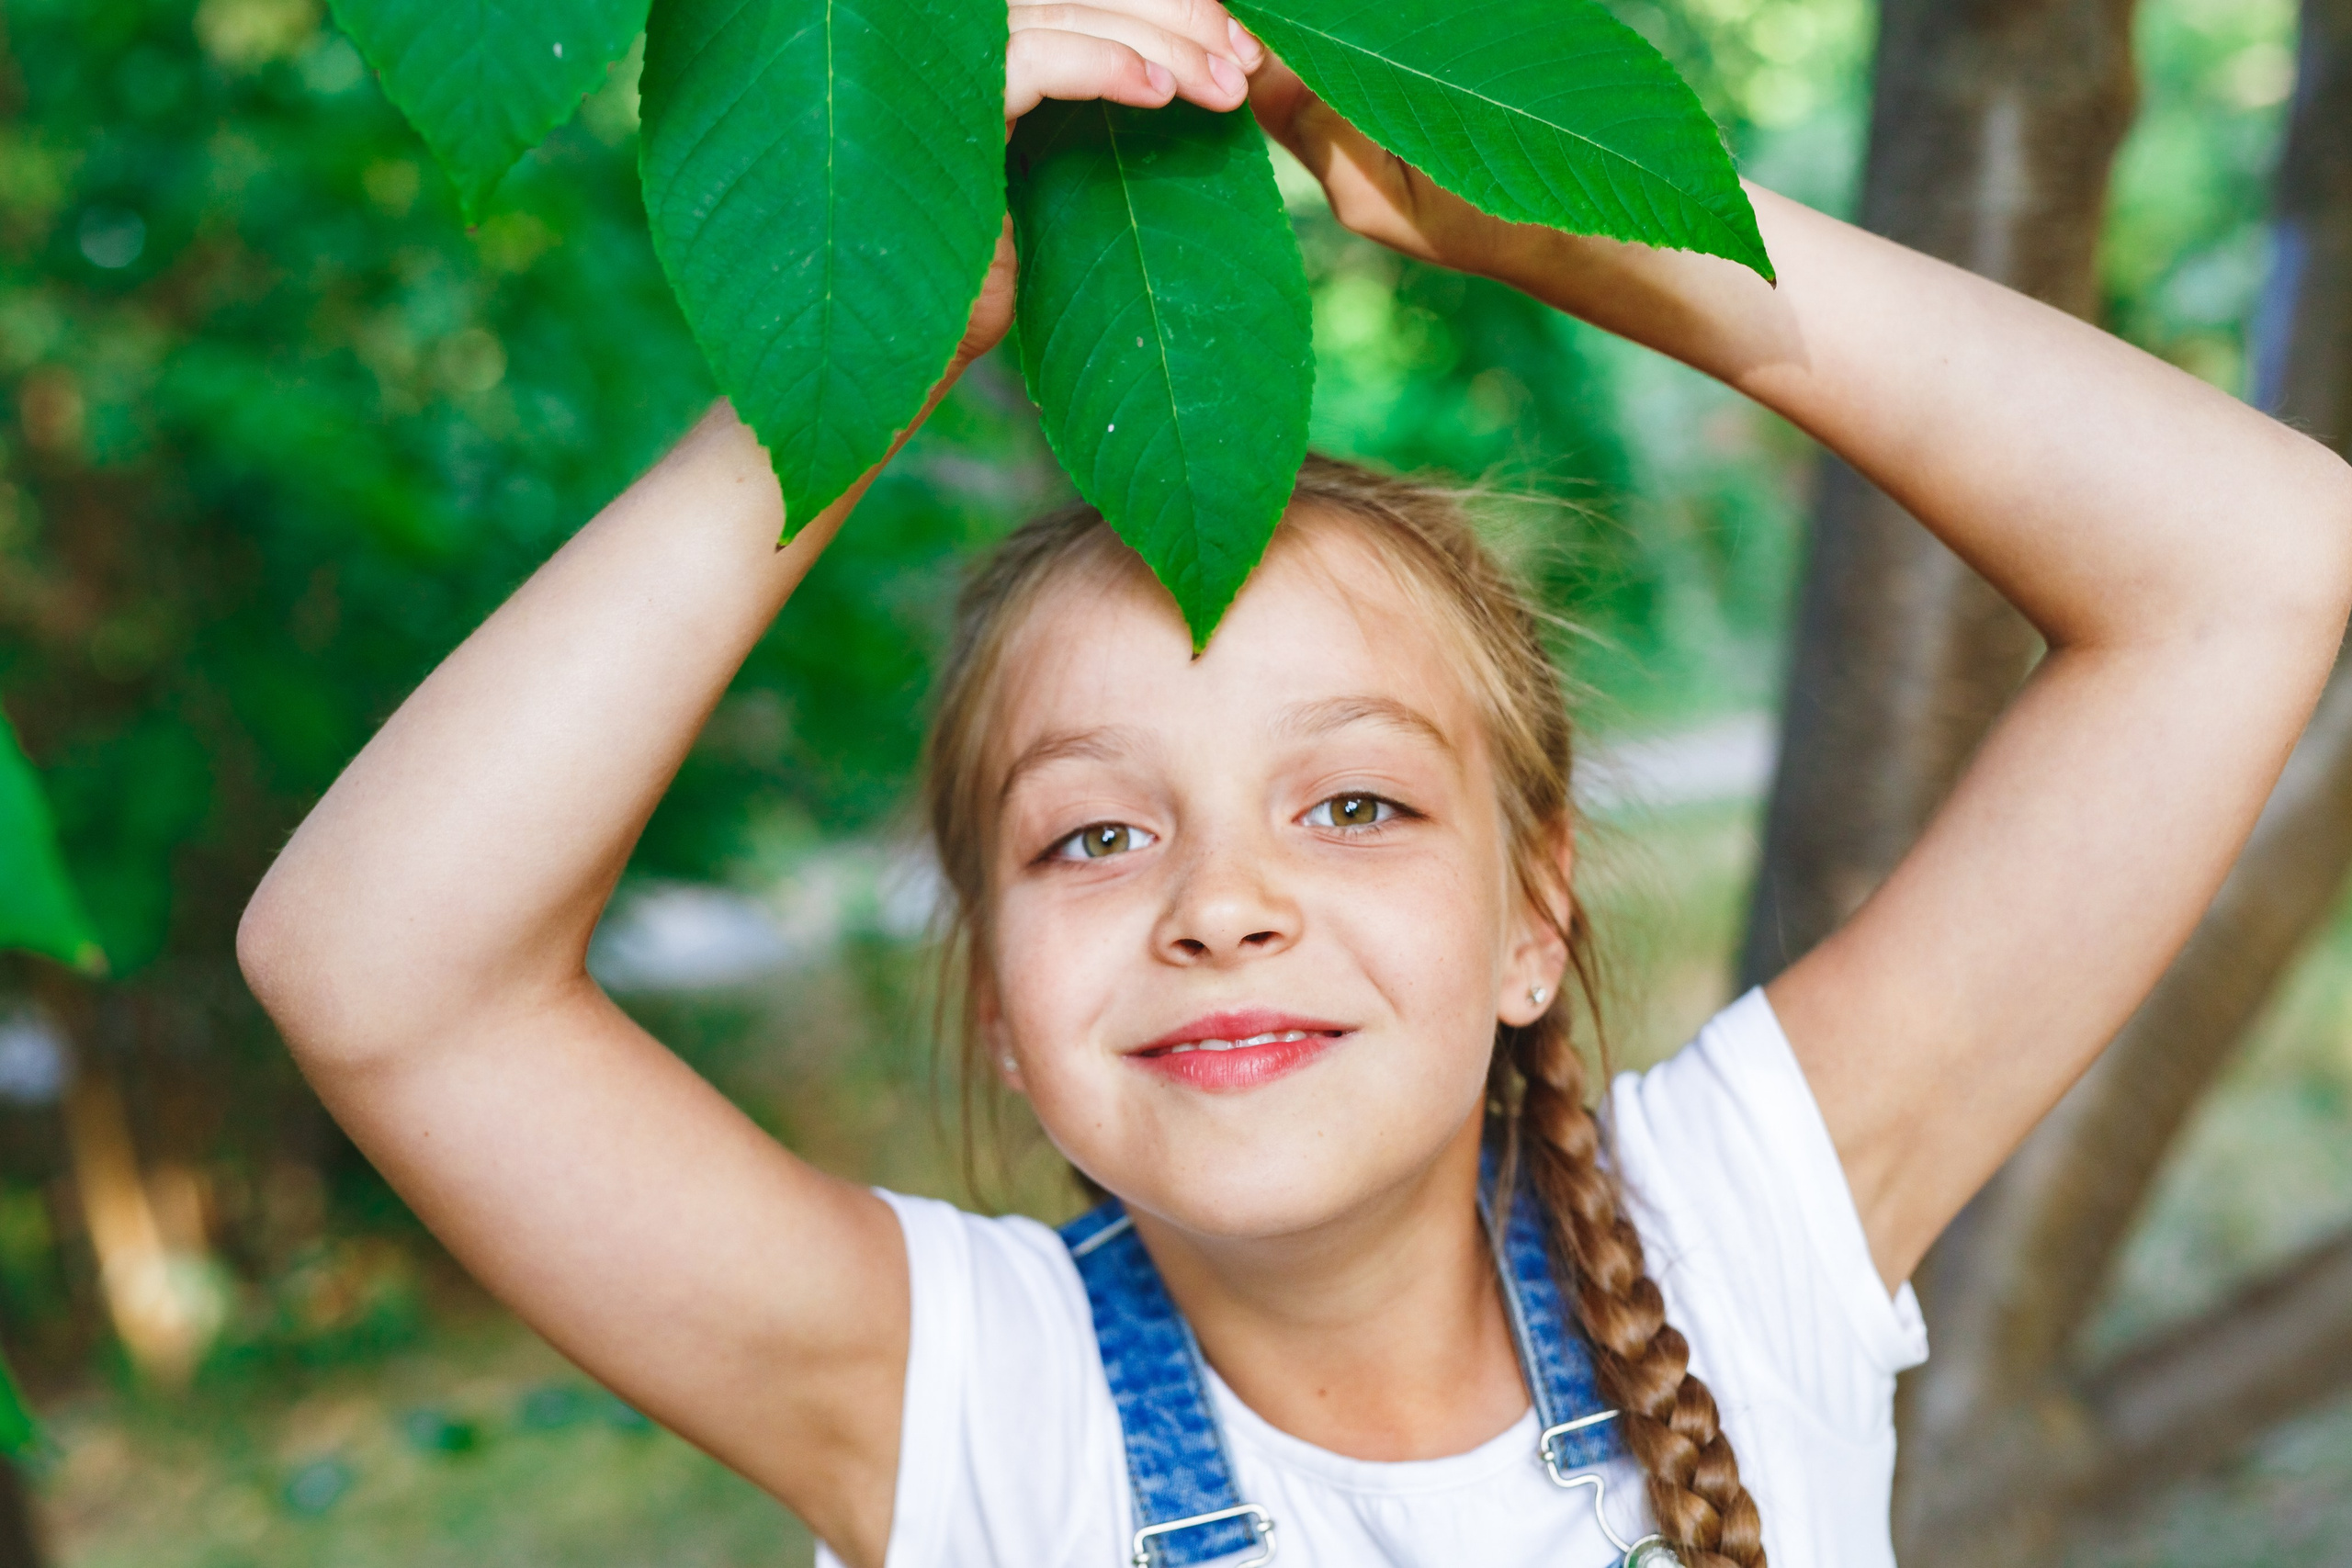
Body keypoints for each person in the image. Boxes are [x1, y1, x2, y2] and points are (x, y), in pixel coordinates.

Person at [235, 2, 2352, 1564]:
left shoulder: (1746, 1241)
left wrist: (1578, 228)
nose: (1217, 899)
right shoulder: (966, 1405)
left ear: (1533, 913)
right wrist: (855, 349)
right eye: (1090, 830)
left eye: (1350, 803)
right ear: (986, 983)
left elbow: (2253, 565)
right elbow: (377, 968)